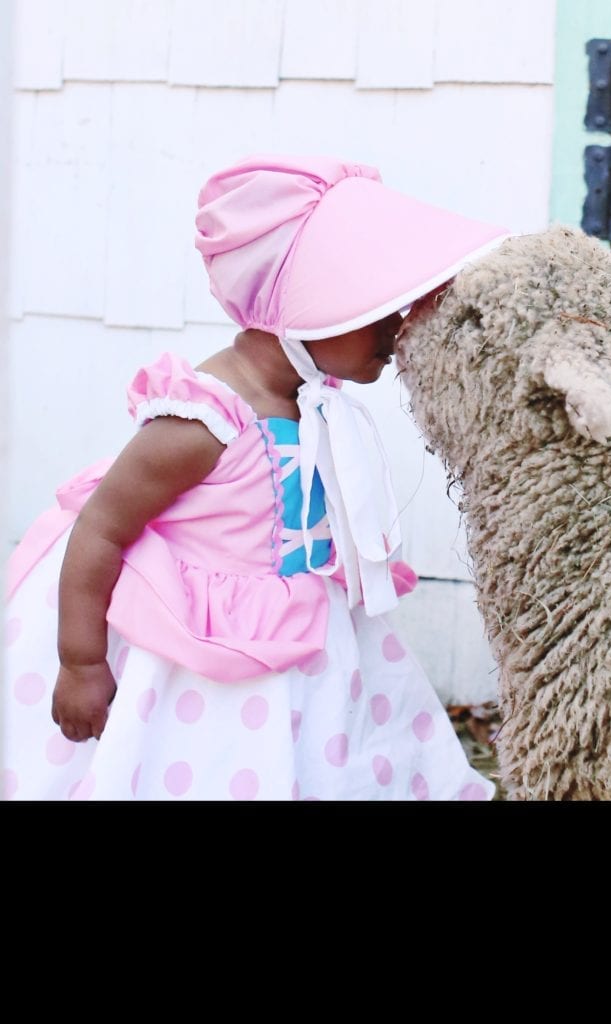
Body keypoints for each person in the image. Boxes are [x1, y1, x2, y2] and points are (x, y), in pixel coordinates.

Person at [3, 155, 509, 801]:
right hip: (201, 659)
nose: (398, 327)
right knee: (212, 771)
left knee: (321, 757)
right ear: (303, 311)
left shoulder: (316, 403)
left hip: (310, 642)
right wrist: (80, 662)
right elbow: (100, 529)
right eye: (377, 310)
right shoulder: (204, 422)